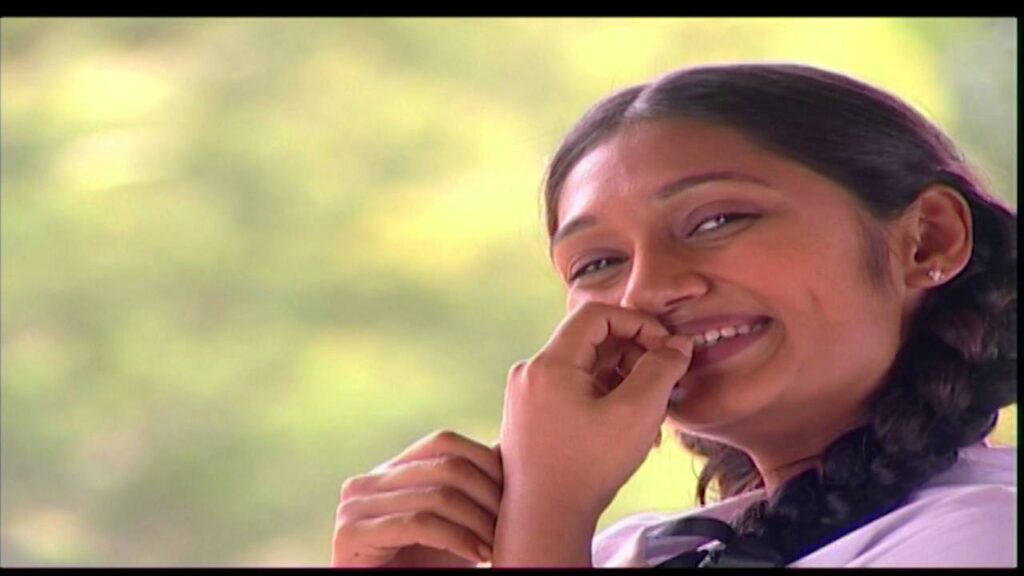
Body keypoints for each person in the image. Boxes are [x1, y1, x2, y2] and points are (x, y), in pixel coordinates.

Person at [331, 63, 1017, 568]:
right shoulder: (622, 550)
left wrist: (545, 510)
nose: (646, 290)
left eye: (717, 220)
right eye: (598, 264)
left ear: (927, 240)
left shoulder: (985, 534)